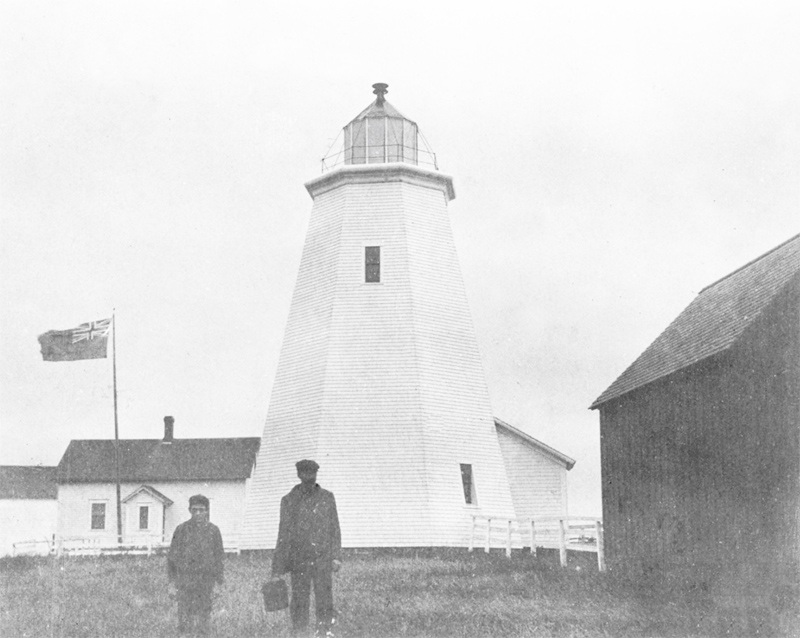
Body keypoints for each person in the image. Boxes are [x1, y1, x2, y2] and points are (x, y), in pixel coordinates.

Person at [271, 459, 342, 638]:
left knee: (324, 598)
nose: (308, 477)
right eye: (305, 473)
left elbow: (334, 528)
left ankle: (324, 631)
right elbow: (284, 533)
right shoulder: (289, 500)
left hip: (322, 557)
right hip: (299, 559)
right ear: (299, 475)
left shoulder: (327, 497)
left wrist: (336, 556)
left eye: (312, 473)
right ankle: (299, 632)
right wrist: (278, 565)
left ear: (316, 474)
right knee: (299, 599)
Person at [167, 494, 225, 635]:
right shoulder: (181, 530)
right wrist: (171, 584)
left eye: (201, 510)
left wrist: (218, 584)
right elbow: (172, 559)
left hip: (206, 582)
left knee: (203, 621)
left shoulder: (213, 531)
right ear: (190, 510)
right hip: (185, 582)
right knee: (184, 621)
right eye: (195, 510)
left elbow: (219, 559)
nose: (198, 513)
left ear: (207, 511)